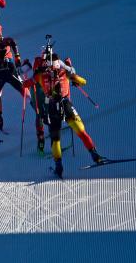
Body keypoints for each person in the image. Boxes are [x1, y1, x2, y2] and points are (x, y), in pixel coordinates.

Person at [34, 45, 104, 178]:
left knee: (56, 140)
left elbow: (27, 83)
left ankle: (58, 167)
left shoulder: (41, 75)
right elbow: (83, 81)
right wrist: (72, 76)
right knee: (81, 131)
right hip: (66, 104)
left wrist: (37, 72)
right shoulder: (64, 72)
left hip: (51, 107)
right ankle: (95, 156)